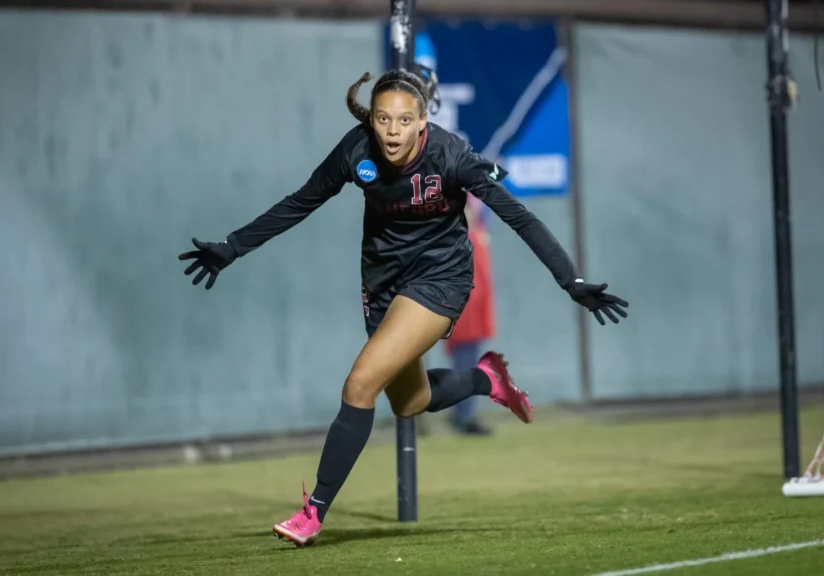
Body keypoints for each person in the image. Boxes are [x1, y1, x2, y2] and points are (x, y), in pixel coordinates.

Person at [178, 69, 629, 547]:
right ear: (371, 120)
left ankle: (313, 513)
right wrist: (232, 247)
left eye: (403, 121)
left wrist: (570, 279)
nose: (392, 131)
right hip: (383, 283)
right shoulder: (357, 152)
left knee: (360, 382)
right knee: (410, 402)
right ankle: (485, 379)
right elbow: (299, 203)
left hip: (441, 280)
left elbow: (519, 217)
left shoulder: (452, 157)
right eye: (383, 119)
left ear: (422, 123)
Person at [444, 192, 496, 435]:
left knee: (467, 366)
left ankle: (463, 414)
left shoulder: (476, 239)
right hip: (464, 319)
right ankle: (463, 417)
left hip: (471, 320)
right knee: (464, 368)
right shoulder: (463, 241)